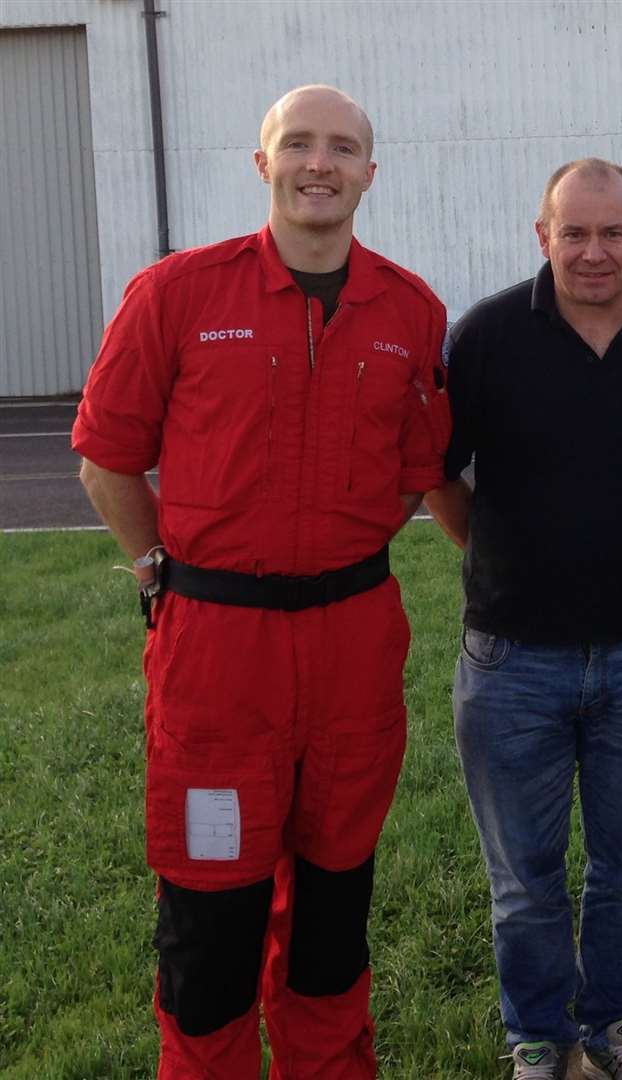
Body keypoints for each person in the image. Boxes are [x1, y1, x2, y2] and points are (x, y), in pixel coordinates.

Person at [71, 85, 450, 1078]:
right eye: (299, 145)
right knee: (212, 909)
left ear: (371, 170)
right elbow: (107, 457)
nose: (319, 164)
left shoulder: (410, 312)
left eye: (342, 148)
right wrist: (159, 569)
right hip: (217, 654)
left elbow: (421, 469)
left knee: (334, 898)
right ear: (262, 163)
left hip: (352, 643)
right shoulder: (177, 294)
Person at [424, 158, 622, 1080]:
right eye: (574, 233)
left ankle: (613, 1025)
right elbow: (440, 475)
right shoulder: (483, 338)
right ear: (542, 235)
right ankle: (537, 1035)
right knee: (524, 880)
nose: (593, 252)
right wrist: (501, 560)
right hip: (511, 659)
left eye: (612, 233)